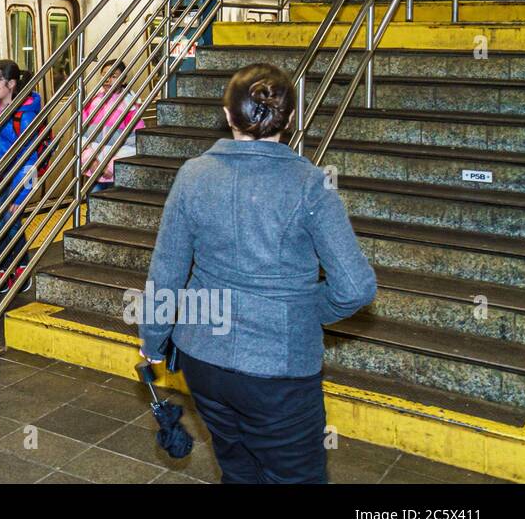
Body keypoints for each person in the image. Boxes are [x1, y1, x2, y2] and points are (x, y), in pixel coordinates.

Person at [138, 63, 377, 484]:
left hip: (204, 359)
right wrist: (299, 311)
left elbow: (167, 271)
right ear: (289, 118)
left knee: (238, 470)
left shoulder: (193, 175)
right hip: (278, 369)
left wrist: (153, 341)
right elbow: (356, 287)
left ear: (228, 115)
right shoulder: (310, 184)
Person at [0, 59, 43, 292]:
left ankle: (22, 265)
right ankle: (5, 267)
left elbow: (30, 157)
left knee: (10, 222)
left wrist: (21, 195)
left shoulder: (24, 116)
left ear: (12, 84)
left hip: (16, 176)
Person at [80, 59, 144, 191]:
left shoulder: (130, 106)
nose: (107, 79)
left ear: (123, 80)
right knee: (92, 207)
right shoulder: (92, 103)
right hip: (93, 170)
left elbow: (134, 142)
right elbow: (82, 136)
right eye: (104, 75)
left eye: (113, 76)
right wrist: (90, 161)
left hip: (115, 174)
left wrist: (110, 167)